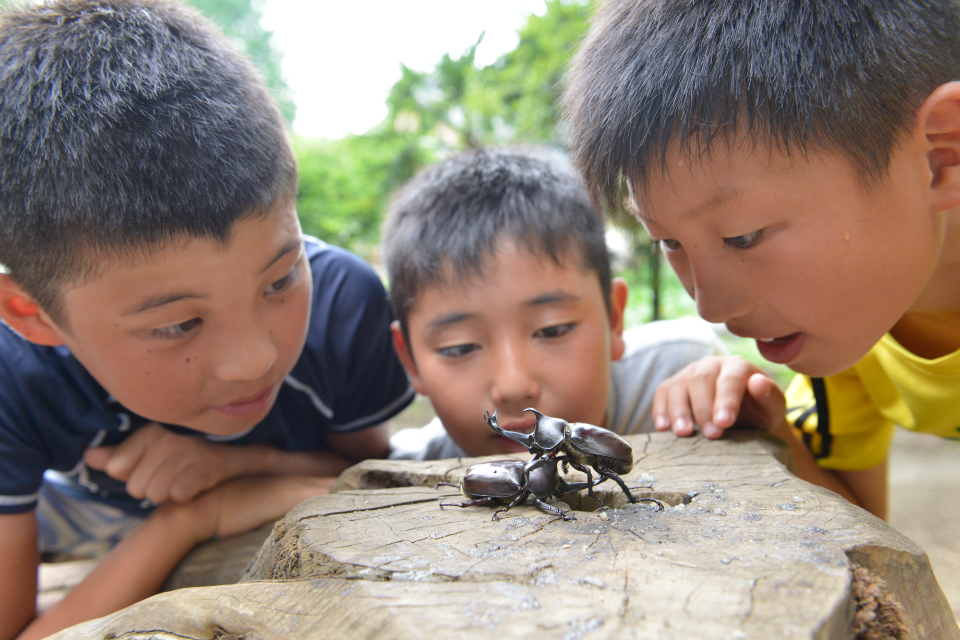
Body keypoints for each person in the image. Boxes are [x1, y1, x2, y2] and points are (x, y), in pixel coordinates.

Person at [0, 1, 413, 637]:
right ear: (31, 314)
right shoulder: (12, 374)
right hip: (68, 512)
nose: (256, 358)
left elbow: (367, 478)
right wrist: (193, 517)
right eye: (176, 325)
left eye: (280, 279)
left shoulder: (342, 310)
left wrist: (237, 465)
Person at [561, 0, 960, 521]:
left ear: (940, 155)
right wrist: (775, 432)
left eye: (743, 236)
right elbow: (860, 524)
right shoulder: (856, 333)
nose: (710, 306)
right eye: (669, 242)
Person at [382, 147, 725, 461]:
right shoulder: (404, 473)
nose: (513, 387)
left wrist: (747, 414)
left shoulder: (680, 376)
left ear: (614, 318)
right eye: (460, 348)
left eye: (553, 329)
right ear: (410, 361)